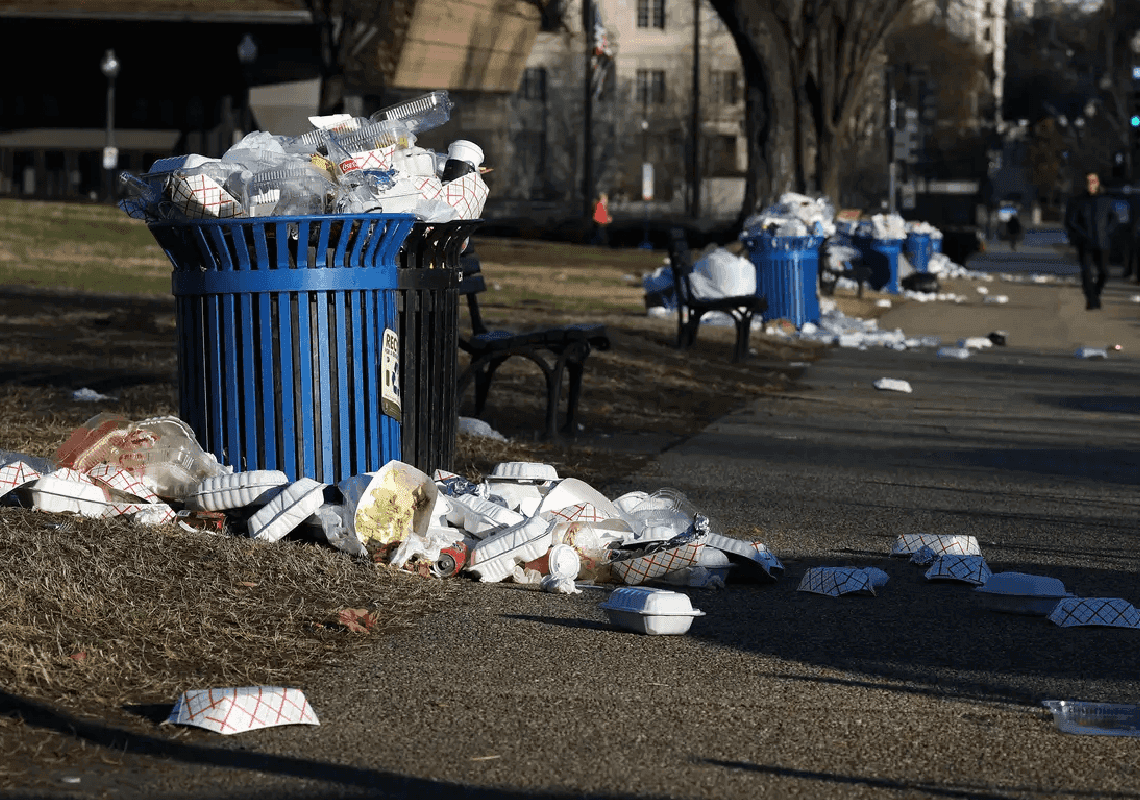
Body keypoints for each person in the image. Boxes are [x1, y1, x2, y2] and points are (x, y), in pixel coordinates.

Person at [1065, 171, 1119, 310]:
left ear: (1098, 183)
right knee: (1087, 273)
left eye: (1094, 181)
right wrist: (1081, 235)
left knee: (1104, 272)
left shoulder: (1106, 200)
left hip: (1102, 242)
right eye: (1089, 182)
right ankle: (1092, 300)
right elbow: (1071, 221)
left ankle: (1095, 294)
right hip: (1085, 244)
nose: (1091, 184)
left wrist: (1107, 232)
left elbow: (1114, 219)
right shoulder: (1078, 201)